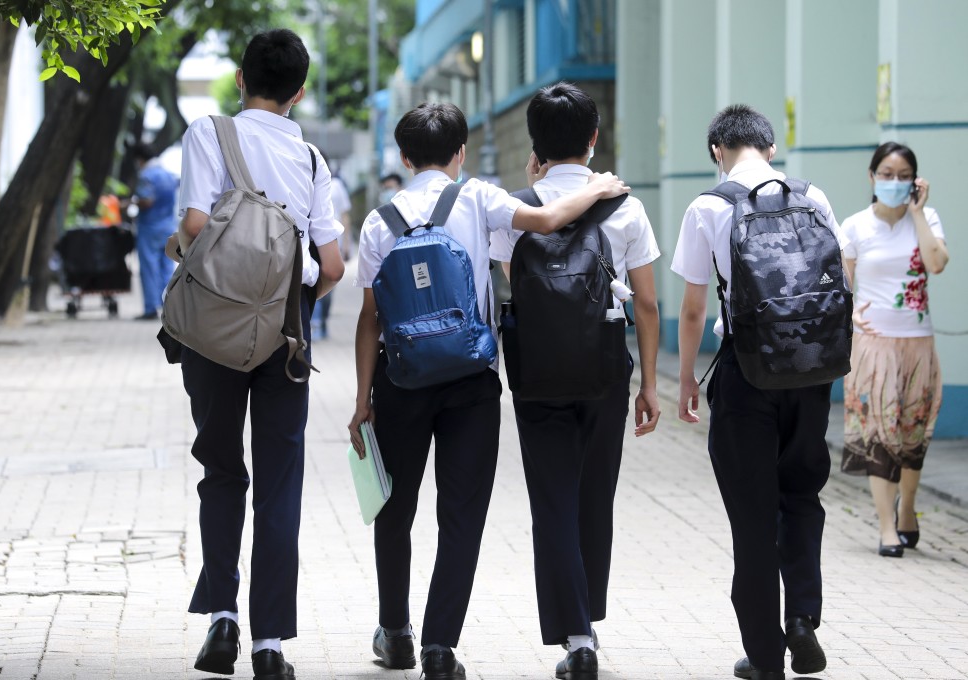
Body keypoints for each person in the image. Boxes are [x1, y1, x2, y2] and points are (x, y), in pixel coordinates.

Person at [347, 102, 628, 680]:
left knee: (394, 508)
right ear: (460, 153)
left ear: (403, 157)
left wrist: (361, 401)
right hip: (471, 383)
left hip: (400, 380)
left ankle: (395, 631)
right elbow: (549, 221)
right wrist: (598, 185)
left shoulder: (380, 221)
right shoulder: (477, 199)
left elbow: (370, 318)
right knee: (463, 514)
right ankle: (439, 647)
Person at [172, 29, 345, 680]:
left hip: (213, 322)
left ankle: (223, 620)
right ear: (299, 92)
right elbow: (332, 262)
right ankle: (271, 644)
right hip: (285, 329)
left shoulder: (207, 133)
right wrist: (300, 295)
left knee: (220, 468)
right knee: (279, 483)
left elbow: (194, 225)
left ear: (240, 79)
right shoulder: (309, 158)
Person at [488, 82, 661, 680]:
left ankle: (576, 636)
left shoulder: (514, 209)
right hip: (605, 370)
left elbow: (515, 282)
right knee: (595, 498)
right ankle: (589, 618)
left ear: (535, 145)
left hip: (537, 370)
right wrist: (651, 386)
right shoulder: (624, 207)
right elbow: (647, 306)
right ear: (594, 138)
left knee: (552, 502)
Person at [672, 104, 838, 680]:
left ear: (718, 150)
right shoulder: (813, 197)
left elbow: (694, 308)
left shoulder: (708, 207)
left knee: (751, 518)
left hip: (746, 374)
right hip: (810, 375)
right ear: (769, 147)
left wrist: (686, 376)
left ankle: (766, 657)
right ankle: (803, 619)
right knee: (801, 499)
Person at [839, 142, 948, 558]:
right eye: (886, 174)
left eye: (904, 176)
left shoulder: (927, 219)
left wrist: (918, 213)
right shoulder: (854, 227)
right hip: (874, 345)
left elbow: (937, 264)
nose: (894, 182)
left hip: (919, 344)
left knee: (913, 432)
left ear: (915, 182)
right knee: (879, 433)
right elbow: (842, 289)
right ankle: (886, 526)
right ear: (872, 177)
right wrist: (850, 320)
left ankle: (908, 510)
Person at [130, 142, 179, 320]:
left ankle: (150, 308)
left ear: (140, 159)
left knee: (149, 268)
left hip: (149, 228)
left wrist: (132, 202)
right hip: (167, 226)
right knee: (167, 267)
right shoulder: (168, 175)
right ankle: (169, 306)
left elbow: (147, 201)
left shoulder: (146, 176)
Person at [311, 165, 352, 340]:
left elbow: (344, 215)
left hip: (333, 242)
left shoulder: (335, 186)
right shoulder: (308, 172)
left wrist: (346, 244)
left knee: (327, 293)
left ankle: (322, 321)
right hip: (313, 243)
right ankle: (315, 324)